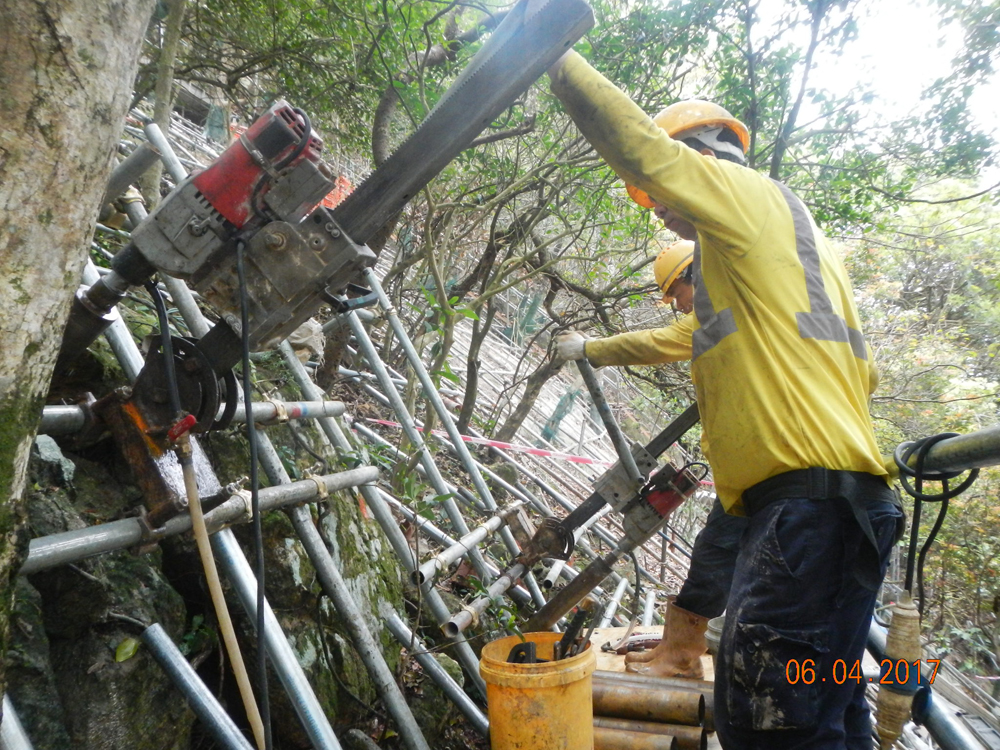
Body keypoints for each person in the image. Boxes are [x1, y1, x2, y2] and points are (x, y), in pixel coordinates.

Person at [548, 49, 902, 750]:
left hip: (806, 517)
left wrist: (554, 54)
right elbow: (687, 339)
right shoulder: (791, 261)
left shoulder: (746, 201)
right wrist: (594, 349)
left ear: (703, 162)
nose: (669, 216)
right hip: (844, 512)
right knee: (830, 715)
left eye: (663, 203)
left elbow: (643, 152)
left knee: (769, 726)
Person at [559, 238, 748, 682]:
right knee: (720, 554)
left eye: (674, 294)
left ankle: (682, 655)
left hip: (764, 469)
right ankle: (681, 649)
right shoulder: (738, 311)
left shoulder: (719, 313)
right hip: (752, 466)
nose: (677, 306)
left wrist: (590, 349)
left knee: (718, 554)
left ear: (692, 276)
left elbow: (657, 342)